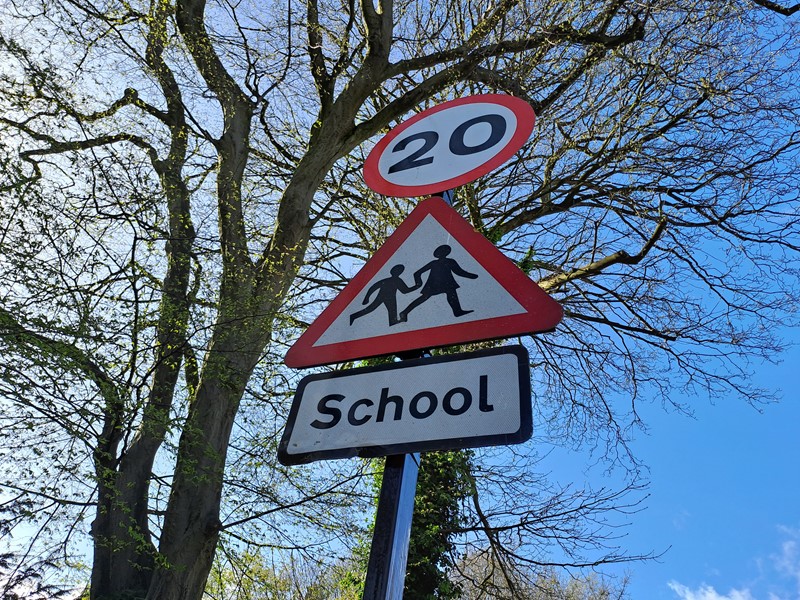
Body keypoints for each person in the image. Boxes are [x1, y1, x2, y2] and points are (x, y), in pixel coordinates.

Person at [399, 244, 478, 322]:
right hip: (434, 284)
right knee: (425, 297)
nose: (444, 253)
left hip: (446, 283)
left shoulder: (450, 261)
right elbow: (417, 273)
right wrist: (418, 283)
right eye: (442, 251)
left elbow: (459, 272)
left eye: (445, 251)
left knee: (451, 293)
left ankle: (457, 311)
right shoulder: (435, 263)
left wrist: (472, 276)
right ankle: (404, 312)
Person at [349, 264, 414, 326]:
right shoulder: (390, 280)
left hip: (390, 298)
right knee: (370, 309)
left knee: (390, 312)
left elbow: (404, 290)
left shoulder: (397, 280)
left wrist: (416, 287)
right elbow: (373, 287)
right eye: (398, 270)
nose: (398, 272)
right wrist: (366, 298)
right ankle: (353, 316)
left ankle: (353, 316)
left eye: (400, 270)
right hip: (384, 297)